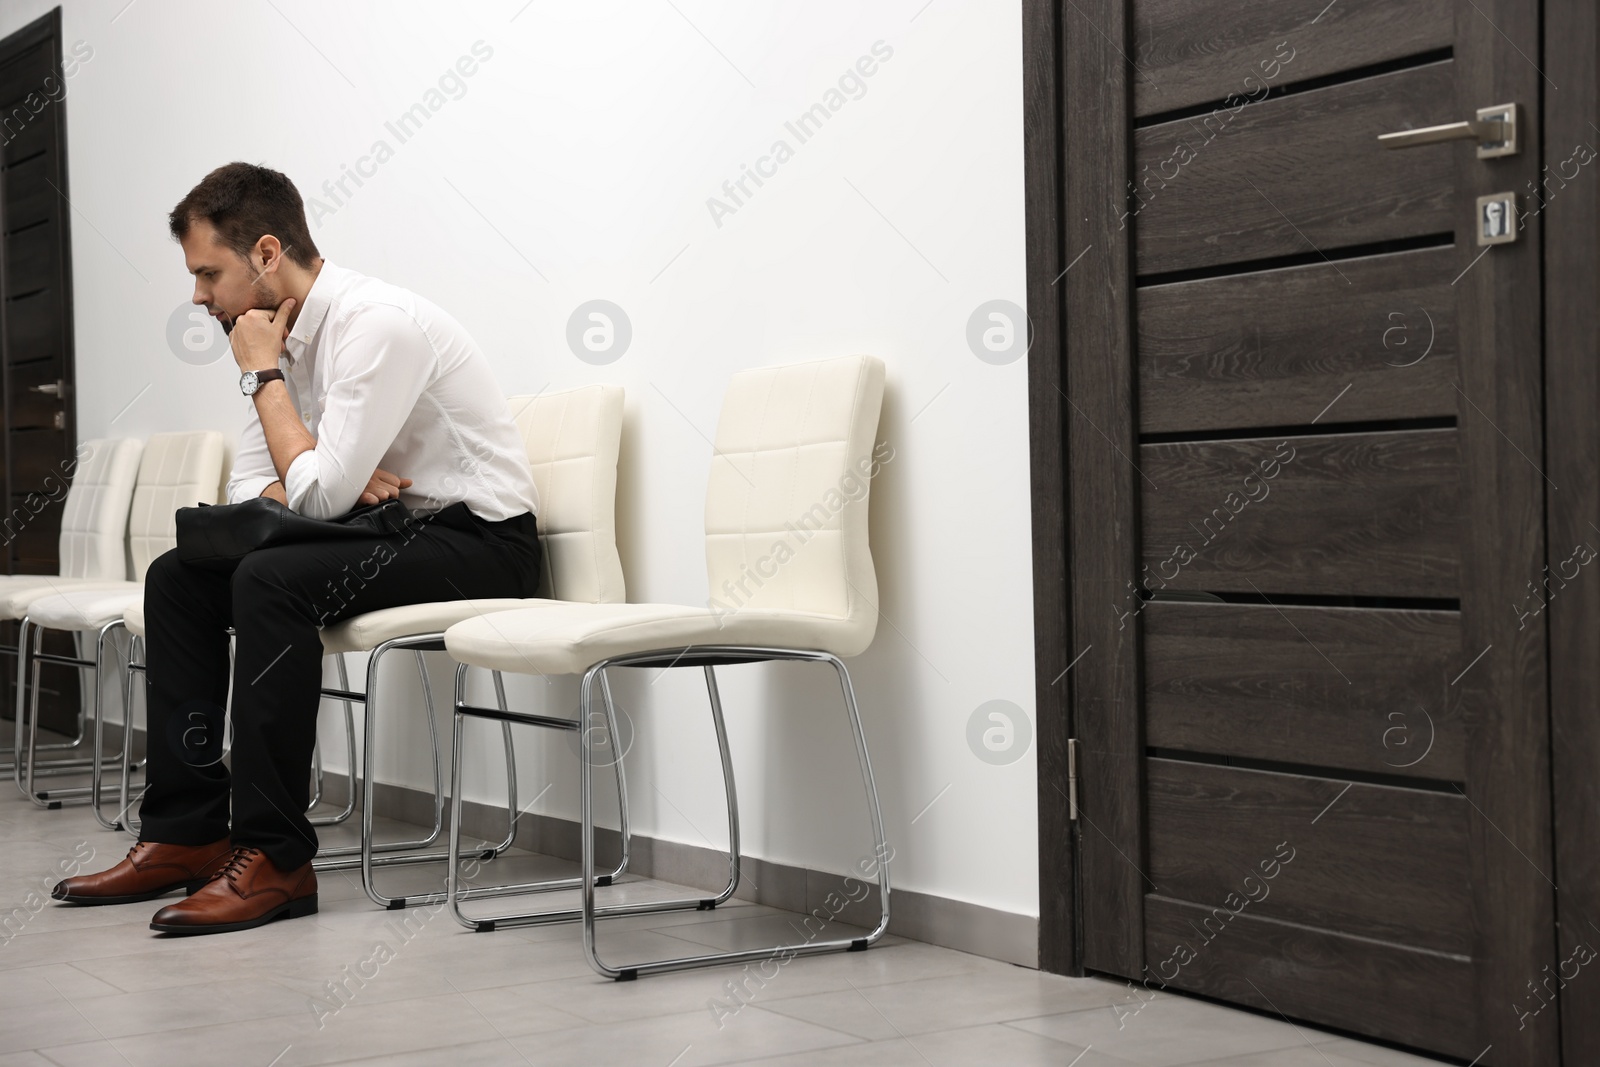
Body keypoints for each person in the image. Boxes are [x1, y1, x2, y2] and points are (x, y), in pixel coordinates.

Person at [51, 162, 542, 935]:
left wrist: (273, 394)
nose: (198, 297)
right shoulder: (273, 336)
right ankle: (187, 830)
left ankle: (276, 856)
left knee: (270, 579)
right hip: (380, 530)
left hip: (478, 538)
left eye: (209, 273)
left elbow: (310, 498)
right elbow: (262, 494)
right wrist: (317, 459)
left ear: (268, 253)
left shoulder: (371, 323)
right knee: (179, 576)